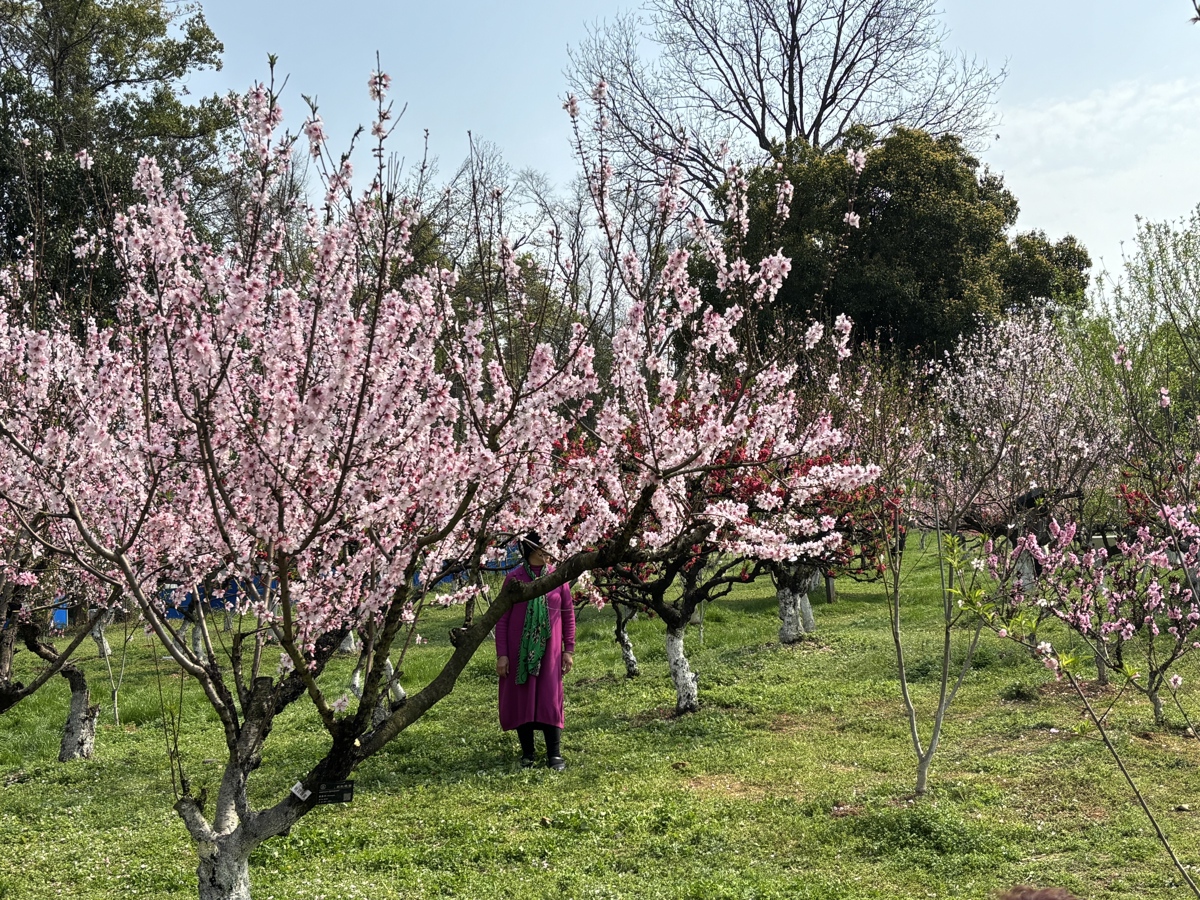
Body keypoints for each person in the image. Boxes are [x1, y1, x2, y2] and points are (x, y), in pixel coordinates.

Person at [495, 532, 576, 770]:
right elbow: (502, 619)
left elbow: (568, 615)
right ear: (533, 550)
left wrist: (568, 649)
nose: (550, 550)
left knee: (550, 698)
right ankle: (527, 754)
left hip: (549, 652)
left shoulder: (557, 578)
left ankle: (554, 754)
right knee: (523, 698)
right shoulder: (514, 579)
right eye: (546, 546)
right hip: (518, 651)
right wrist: (502, 654)